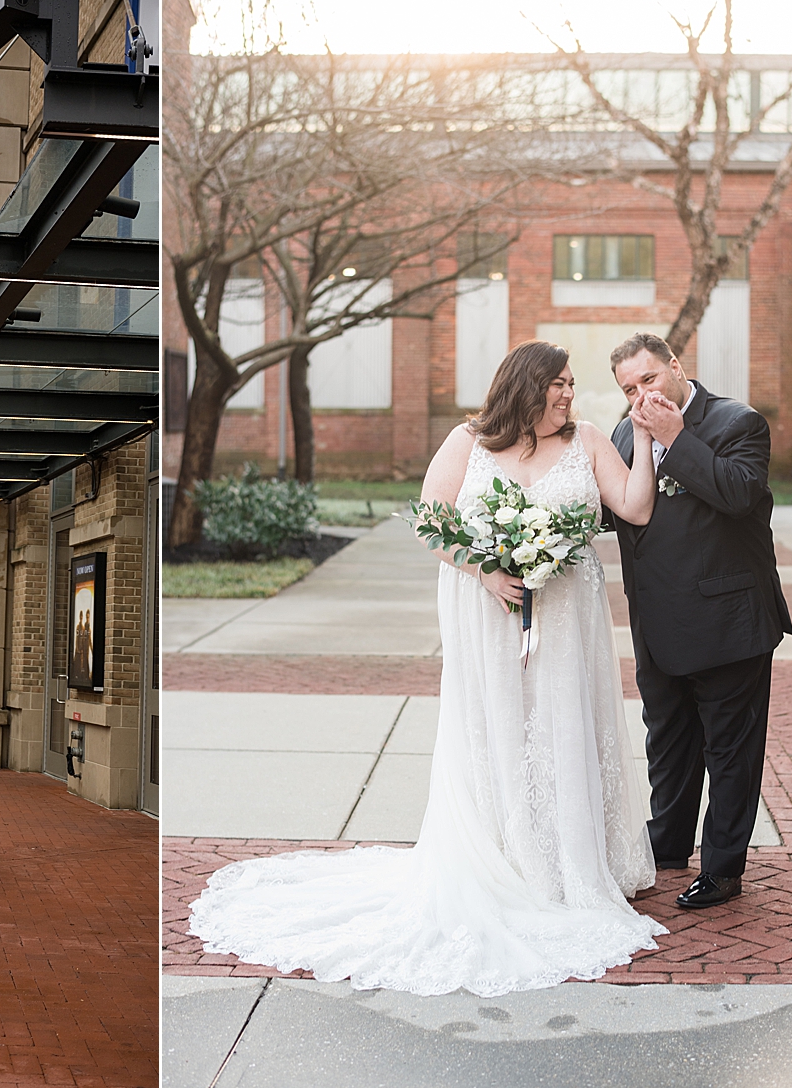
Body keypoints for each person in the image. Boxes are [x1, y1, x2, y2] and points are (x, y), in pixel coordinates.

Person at [190, 340, 665, 997]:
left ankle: (570, 858)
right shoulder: (468, 441)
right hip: (487, 610)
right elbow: (429, 521)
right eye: (555, 384)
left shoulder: (588, 438)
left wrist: (642, 440)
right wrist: (487, 569)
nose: (567, 395)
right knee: (496, 728)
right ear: (522, 387)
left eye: (570, 384)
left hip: (566, 614)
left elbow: (636, 507)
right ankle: (504, 852)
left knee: (561, 725)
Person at [608, 332, 792, 910]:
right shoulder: (622, 432)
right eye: (628, 388)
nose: (641, 395)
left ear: (676, 367)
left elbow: (741, 496)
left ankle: (722, 868)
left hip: (727, 620)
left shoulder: (739, 423)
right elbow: (618, 510)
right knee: (668, 739)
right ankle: (668, 838)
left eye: (649, 379)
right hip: (656, 620)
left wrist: (676, 438)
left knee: (729, 751)